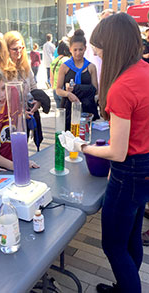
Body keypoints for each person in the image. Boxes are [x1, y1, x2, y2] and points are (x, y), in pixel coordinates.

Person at [59, 13, 149, 293]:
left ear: (113, 48)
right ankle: (125, 285)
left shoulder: (122, 86)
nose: (96, 56)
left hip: (129, 173)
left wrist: (80, 146)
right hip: (145, 168)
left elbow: (119, 152)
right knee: (131, 236)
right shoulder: (144, 70)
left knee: (112, 245)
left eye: (99, 52)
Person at [4, 30, 50, 150]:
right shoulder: (1, 71)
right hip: (10, 122)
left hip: (27, 118)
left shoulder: (25, 67)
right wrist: (20, 112)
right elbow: (2, 100)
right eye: (14, 49)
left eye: (21, 48)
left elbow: (34, 88)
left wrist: (37, 103)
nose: (19, 51)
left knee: (24, 151)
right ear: (6, 49)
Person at [56, 29, 99, 131]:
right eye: (75, 50)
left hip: (86, 108)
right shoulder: (65, 67)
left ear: (85, 48)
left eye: (80, 49)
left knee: (86, 137)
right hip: (68, 108)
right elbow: (58, 89)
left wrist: (77, 88)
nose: (78, 53)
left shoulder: (91, 67)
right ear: (70, 49)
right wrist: (68, 94)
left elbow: (95, 90)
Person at [50, 39, 71, 108]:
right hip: (63, 90)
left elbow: (51, 78)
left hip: (55, 89)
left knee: (60, 113)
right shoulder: (67, 60)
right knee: (67, 113)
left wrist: (53, 88)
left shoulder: (54, 61)